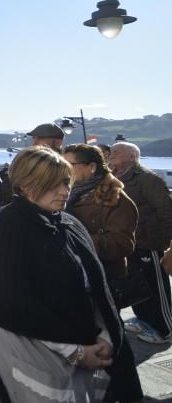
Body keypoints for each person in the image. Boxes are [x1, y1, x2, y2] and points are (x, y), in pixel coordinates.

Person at [0, 146, 123, 401]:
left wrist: (106, 336)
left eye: (66, 182)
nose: (64, 191)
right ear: (25, 185)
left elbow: (97, 287)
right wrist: (77, 351)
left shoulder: (68, 222)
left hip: (87, 344)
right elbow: (15, 304)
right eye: (53, 184)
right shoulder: (5, 227)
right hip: (34, 355)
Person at [63, 143, 143, 402]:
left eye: (70, 164)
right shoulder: (70, 193)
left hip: (105, 280)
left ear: (90, 167)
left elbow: (123, 244)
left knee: (111, 341)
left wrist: (78, 240)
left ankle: (123, 393)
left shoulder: (116, 199)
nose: (65, 169)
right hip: (78, 281)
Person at [109, 141, 172, 344]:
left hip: (148, 243)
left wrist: (160, 242)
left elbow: (166, 211)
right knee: (137, 286)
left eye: (116, 153)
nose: (111, 156)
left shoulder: (146, 179)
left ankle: (165, 329)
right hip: (130, 243)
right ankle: (145, 319)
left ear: (131, 157)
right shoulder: (115, 178)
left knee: (155, 287)